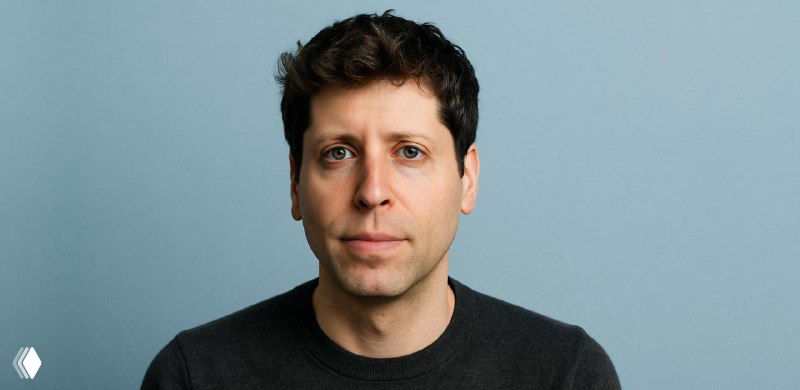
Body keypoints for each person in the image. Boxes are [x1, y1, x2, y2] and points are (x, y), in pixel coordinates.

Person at [142, 9, 621, 389]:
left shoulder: (566, 375)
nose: (372, 192)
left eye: (409, 152)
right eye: (339, 153)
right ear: (295, 183)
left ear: (467, 178)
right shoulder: (194, 376)